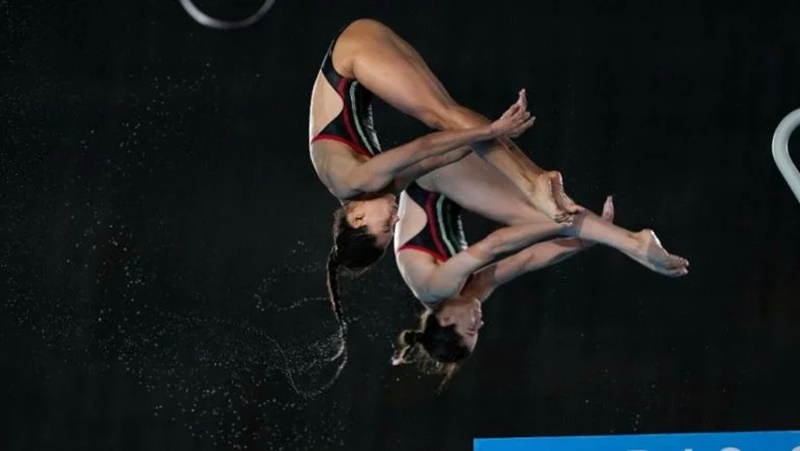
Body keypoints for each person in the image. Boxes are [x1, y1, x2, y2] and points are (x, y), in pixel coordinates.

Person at [310, 19, 584, 317]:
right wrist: (492, 134)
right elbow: (437, 157)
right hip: (363, 47)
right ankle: (535, 179)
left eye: (387, 225)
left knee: (442, 115)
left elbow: (423, 146)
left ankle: (534, 181)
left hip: (349, 56)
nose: (396, 217)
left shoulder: (351, 180)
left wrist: (489, 132)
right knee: (452, 116)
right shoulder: (377, 189)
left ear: (357, 217)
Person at [390, 189, 686, 387]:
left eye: (471, 330)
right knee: (550, 213)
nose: (480, 323)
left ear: (445, 320)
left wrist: (562, 225)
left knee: (546, 214)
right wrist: (585, 240)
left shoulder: (434, 289)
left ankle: (632, 242)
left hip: (431, 182)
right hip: (449, 190)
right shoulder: (468, 295)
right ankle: (622, 239)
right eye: (477, 332)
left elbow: (497, 244)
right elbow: (527, 259)